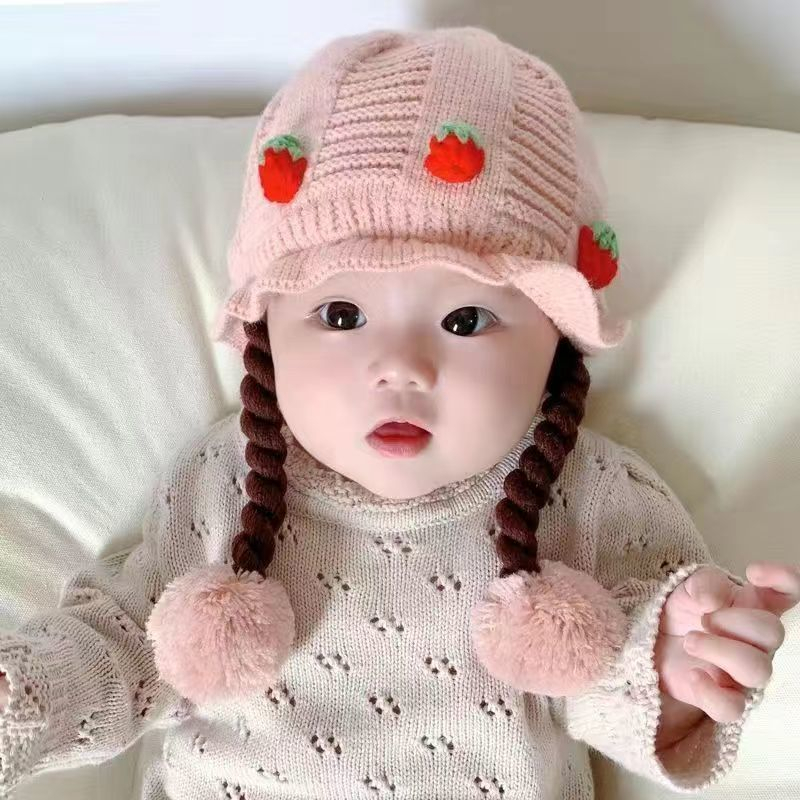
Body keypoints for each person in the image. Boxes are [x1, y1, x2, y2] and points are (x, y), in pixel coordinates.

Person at [1, 25, 797, 800]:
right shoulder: (222, 481)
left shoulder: (590, 492)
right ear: (267, 333)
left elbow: (617, 687)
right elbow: (121, 648)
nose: (402, 366)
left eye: (466, 320)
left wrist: (674, 673)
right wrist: (24, 693)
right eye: (342, 316)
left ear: (554, 344)